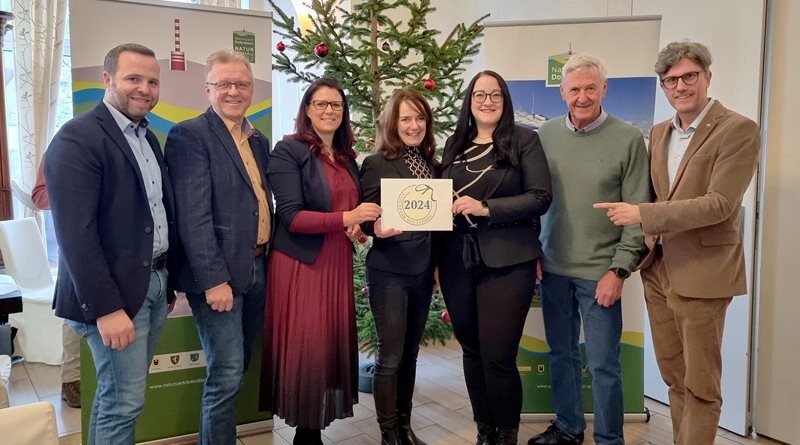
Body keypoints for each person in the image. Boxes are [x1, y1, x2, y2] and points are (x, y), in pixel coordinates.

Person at [594, 41, 760, 445]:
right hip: (659, 270)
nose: (681, 86)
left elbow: (720, 205)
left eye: (689, 76)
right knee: (674, 376)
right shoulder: (659, 132)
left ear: (707, 77)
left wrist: (642, 214)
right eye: (671, 80)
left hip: (704, 274)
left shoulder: (738, 129)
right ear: (663, 86)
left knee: (701, 384)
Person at [45, 43, 176, 445]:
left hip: (151, 283)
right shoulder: (77, 139)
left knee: (115, 399)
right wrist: (106, 309)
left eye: (152, 81)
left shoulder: (147, 137)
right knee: (125, 403)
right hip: (114, 297)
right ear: (107, 79)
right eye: (133, 78)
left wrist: (165, 283)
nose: (144, 88)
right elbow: (75, 236)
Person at [528, 54, 651, 445]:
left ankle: (610, 439)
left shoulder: (629, 139)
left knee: (603, 364)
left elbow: (637, 213)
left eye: (590, 88)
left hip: (601, 273)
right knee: (561, 356)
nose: (583, 97)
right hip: (553, 269)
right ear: (562, 92)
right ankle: (568, 428)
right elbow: (531, 199)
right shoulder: (543, 135)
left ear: (604, 89)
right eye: (575, 89)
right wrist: (533, 252)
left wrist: (618, 271)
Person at [262, 77, 380, 445]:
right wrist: (346, 219)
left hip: (336, 261)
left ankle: (312, 430)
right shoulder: (289, 151)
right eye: (321, 104)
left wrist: (354, 227)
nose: (329, 111)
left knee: (328, 344)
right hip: (302, 265)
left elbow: (349, 210)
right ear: (307, 110)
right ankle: (305, 434)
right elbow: (292, 217)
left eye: (336, 106)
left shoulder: (347, 158)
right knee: (308, 347)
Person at [438, 70, 552, 445]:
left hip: (508, 261)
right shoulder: (454, 143)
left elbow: (540, 197)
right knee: (471, 352)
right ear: (469, 101)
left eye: (495, 95)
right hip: (457, 261)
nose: (487, 101)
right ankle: (484, 432)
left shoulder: (524, 140)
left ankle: (506, 434)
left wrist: (485, 208)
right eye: (479, 95)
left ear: (505, 101)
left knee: (498, 355)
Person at [165, 49, 272, 445]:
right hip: (219, 278)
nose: (233, 91)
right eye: (224, 84)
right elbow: (193, 217)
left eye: (241, 84)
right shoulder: (190, 134)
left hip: (257, 267)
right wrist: (213, 281)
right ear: (207, 89)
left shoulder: (257, 138)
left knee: (239, 365)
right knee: (225, 375)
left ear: (252, 90)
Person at [360, 89, 438, 445]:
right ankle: (389, 434)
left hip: (422, 272)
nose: (413, 125)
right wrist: (373, 226)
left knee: (409, 355)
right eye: (405, 118)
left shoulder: (432, 165)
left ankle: (406, 427)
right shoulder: (377, 162)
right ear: (393, 123)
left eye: (420, 118)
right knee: (390, 357)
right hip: (390, 271)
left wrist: (436, 267)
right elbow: (366, 218)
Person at [31, 162, 82, 409]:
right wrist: (79, 191)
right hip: (77, 245)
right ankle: (72, 380)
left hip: (127, 251)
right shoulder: (63, 143)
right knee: (74, 311)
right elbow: (39, 196)